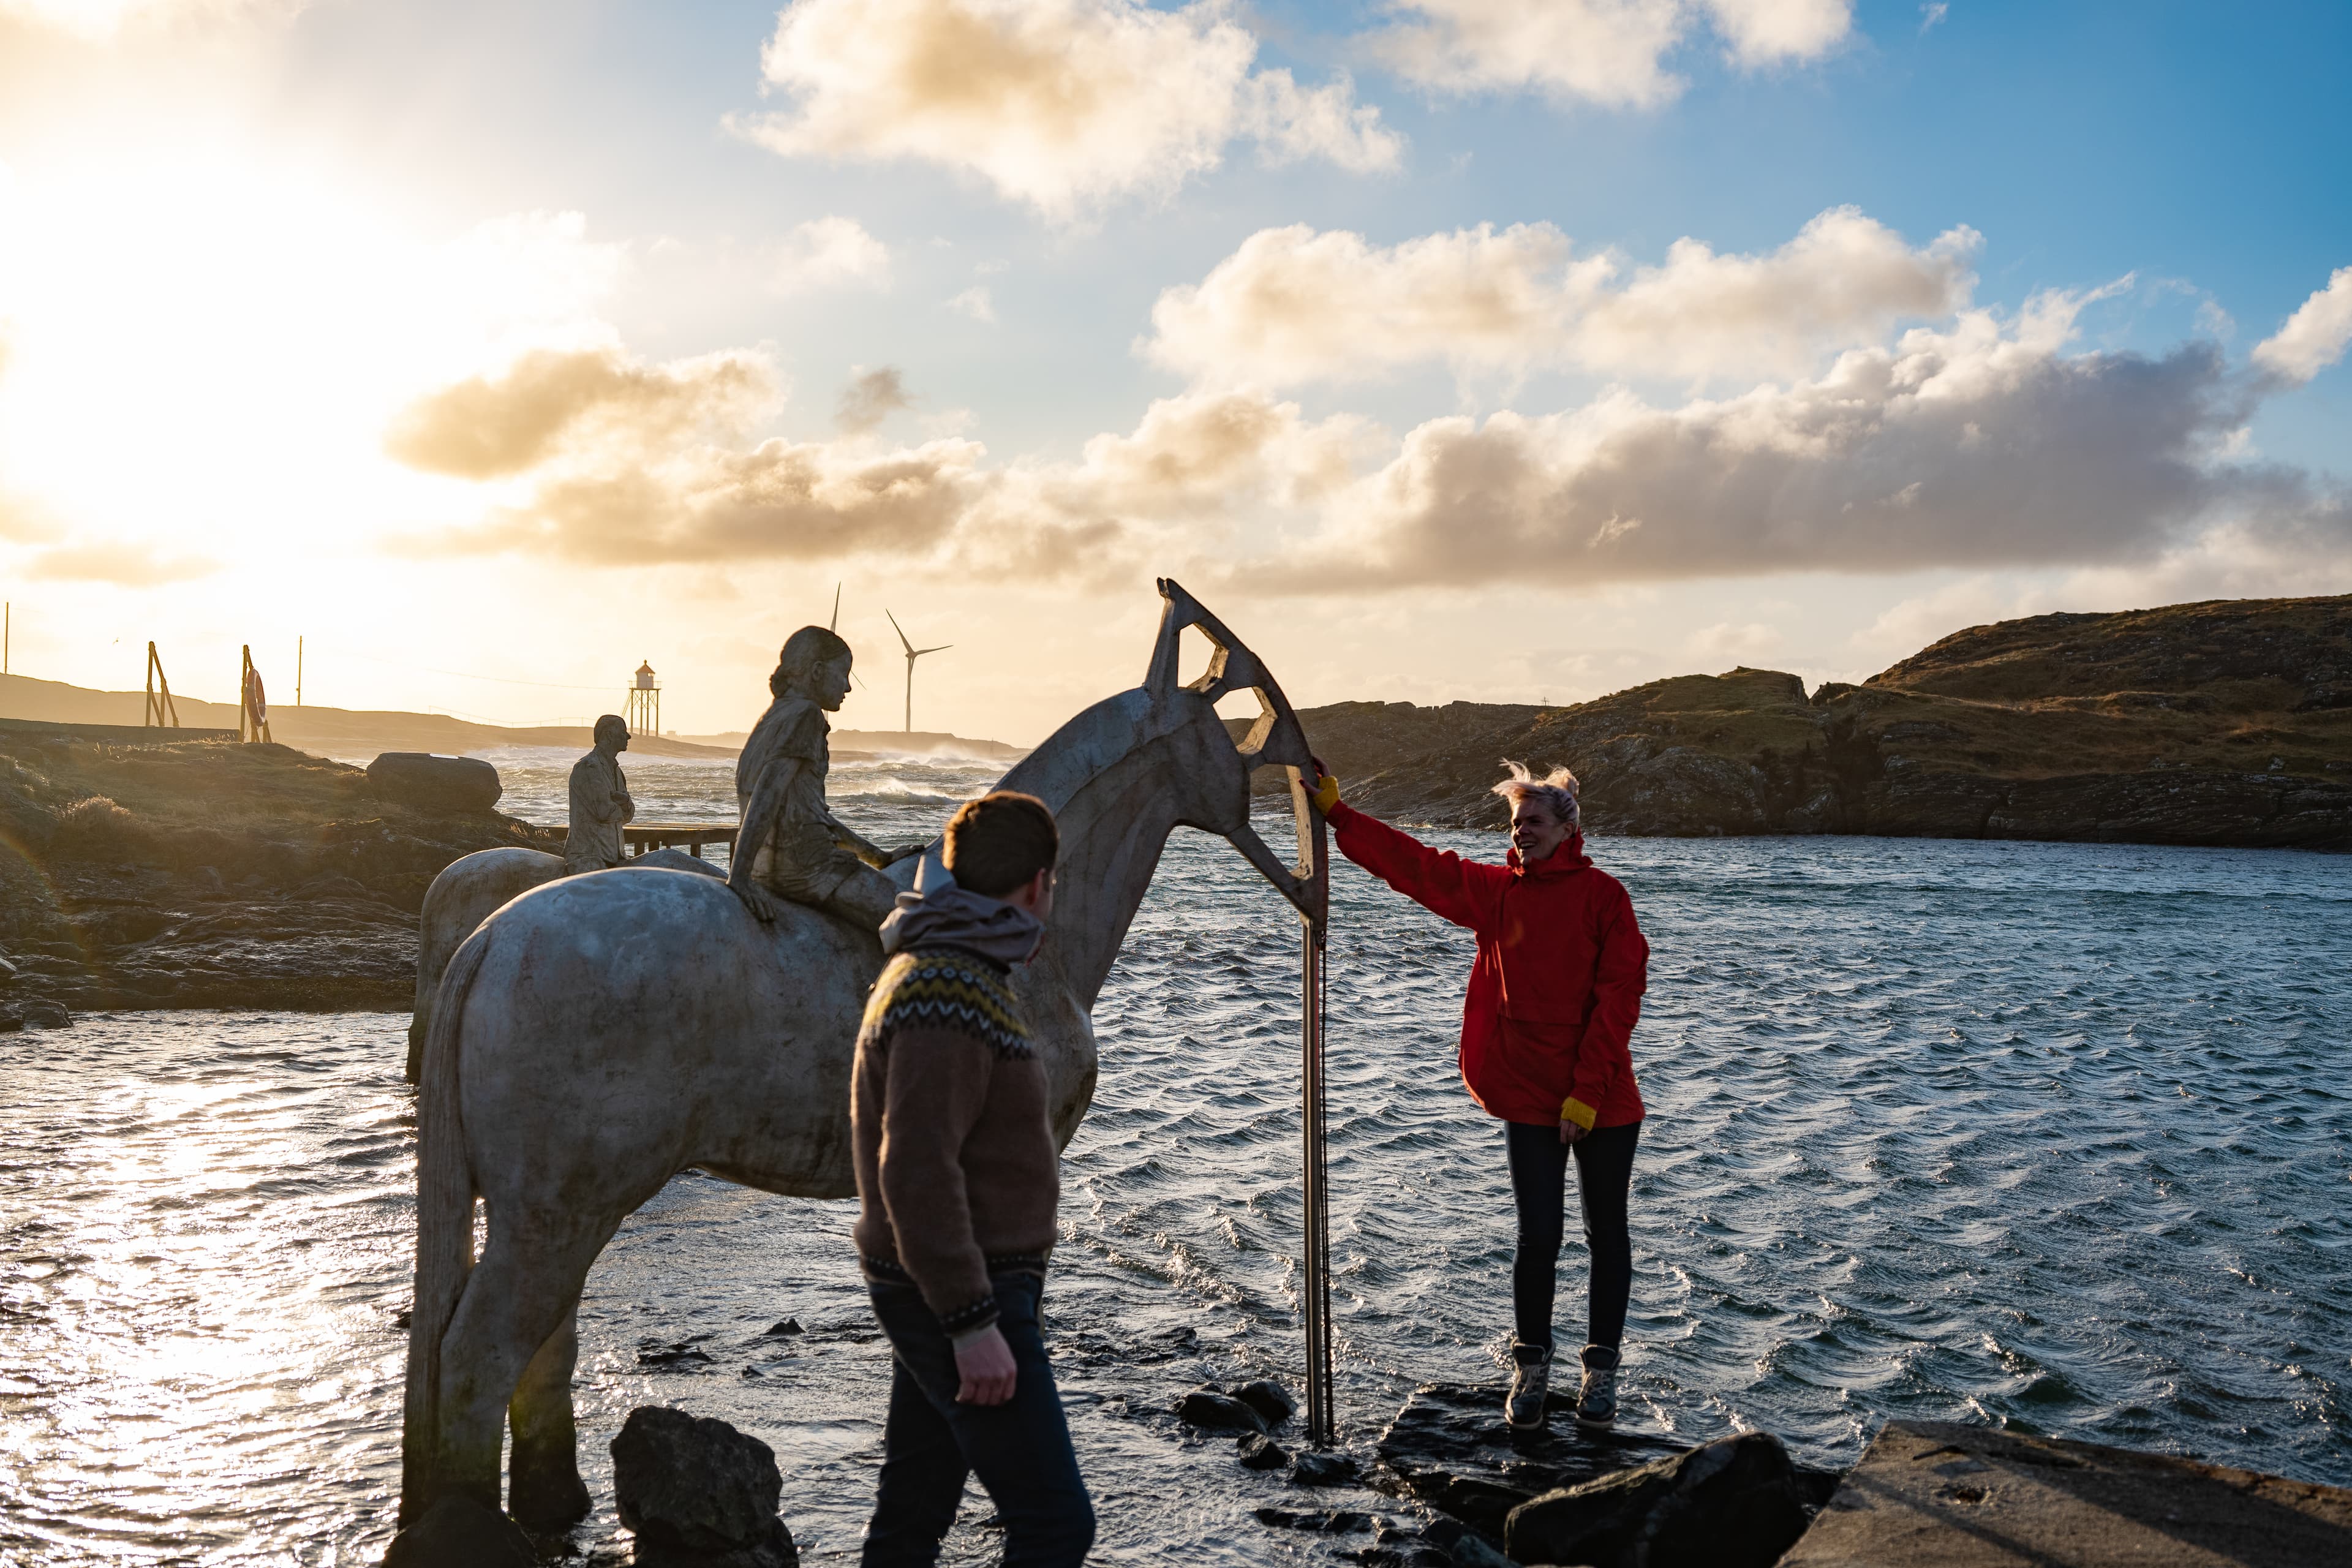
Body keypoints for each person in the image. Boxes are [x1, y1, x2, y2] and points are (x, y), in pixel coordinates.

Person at [1311, 758, 1648, 1433]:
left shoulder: (1605, 898)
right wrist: (1339, 816)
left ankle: (1601, 1377)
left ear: (1567, 828)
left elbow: (1620, 1000)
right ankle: (1532, 1372)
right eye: (1516, 823)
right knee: (1539, 1238)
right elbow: (1417, 867)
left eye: (1534, 822)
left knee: (1606, 1236)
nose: (1522, 833)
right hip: (1527, 1093)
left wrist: (1584, 1096)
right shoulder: (1496, 893)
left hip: (1602, 1095)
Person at [851, 790, 1093, 1567]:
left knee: (913, 1514)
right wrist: (972, 1322)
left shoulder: (957, 969)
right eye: (1050, 886)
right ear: (1036, 885)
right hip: (961, 1290)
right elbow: (916, 1163)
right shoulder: (945, 986)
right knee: (1056, 1523)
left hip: (950, 1282)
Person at [729, 626, 917, 930]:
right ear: (817, 671)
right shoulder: (806, 715)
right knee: (925, 923)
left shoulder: (773, 717)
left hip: (765, 871)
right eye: (843, 674)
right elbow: (767, 794)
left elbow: (808, 814)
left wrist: (878, 856)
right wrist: (737, 879)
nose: (848, 687)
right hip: (809, 868)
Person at [564, 714, 635, 873]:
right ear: (609, 735)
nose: (628, 737)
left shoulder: (617, 771)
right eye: (623, 732)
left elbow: (628, 816)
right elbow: (603, 812)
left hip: (614, 856)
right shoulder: (589, 767)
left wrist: (624, 803)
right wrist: (623, 805)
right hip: (589, 856)